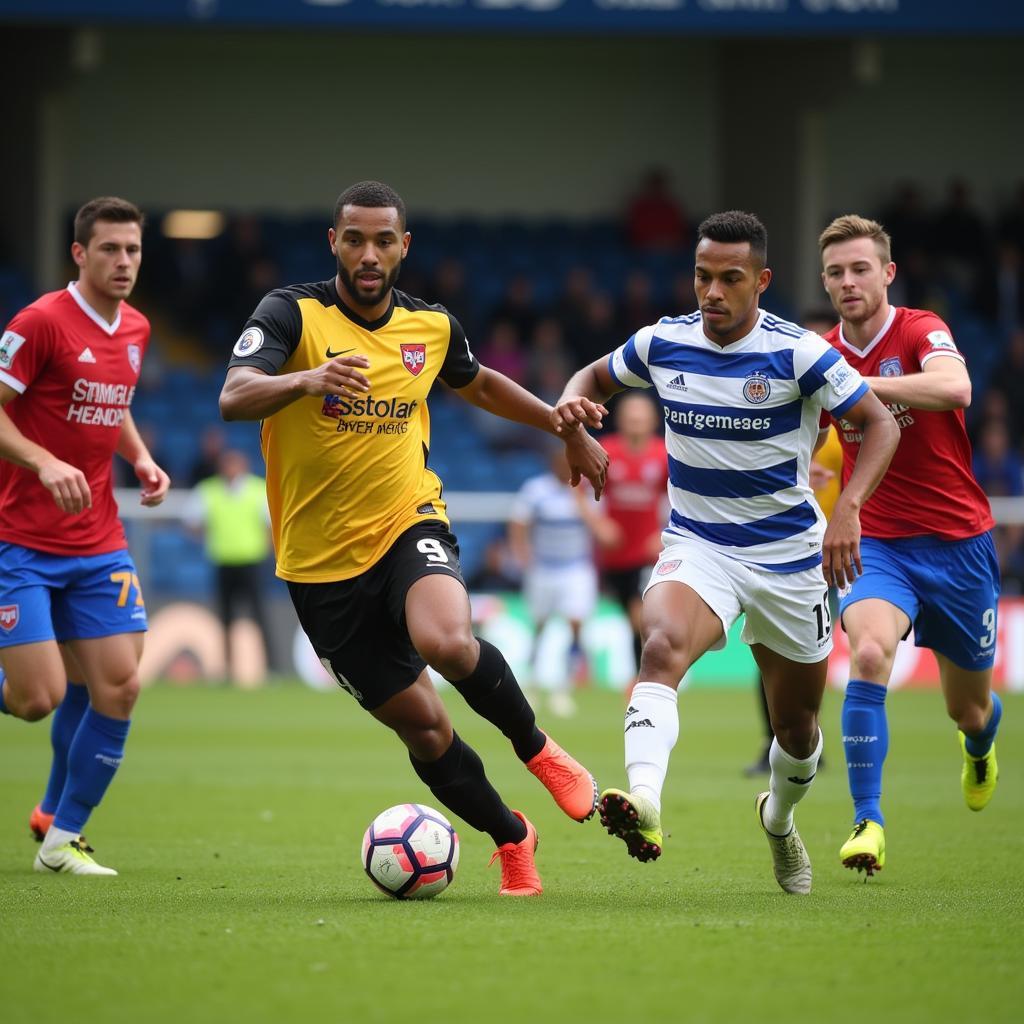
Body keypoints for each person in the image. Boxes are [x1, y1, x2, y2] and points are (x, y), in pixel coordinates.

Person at [218, 181, 608, 897]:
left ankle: (541, 752)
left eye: (384, 240)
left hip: (407, 522)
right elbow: (234, 395)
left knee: (449, 643)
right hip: (319, 568)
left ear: (405, 246)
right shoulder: (289, 312)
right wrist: (306, 380)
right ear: (334, 242)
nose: (370, 254)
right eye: (355, 239)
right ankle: (513, 838)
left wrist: (565, 426)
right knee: (425, 729)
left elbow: (481, 383)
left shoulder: (430, 326)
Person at [553, 210, 899, 894]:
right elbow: (586, 383)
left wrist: (849, 509)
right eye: (702, 276)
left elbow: (879, 423)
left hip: (790, 559)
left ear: (761, 282)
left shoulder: (799, 354)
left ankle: (779, 818)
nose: (712, 291)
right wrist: (571, 425)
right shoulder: (661, 344)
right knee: (659, 648)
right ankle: (645, 802)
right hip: (699, 546)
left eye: (730, 279)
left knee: (796, 730)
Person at [819, 214, 1004, 877]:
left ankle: (981, 742)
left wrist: (861, 391)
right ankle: (868, 822)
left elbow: (956, 388)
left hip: (960, 545)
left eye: (860, 268)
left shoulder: (921, 329)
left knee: (967, 706)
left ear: (887, 273)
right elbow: (802, 438)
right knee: (869, 653)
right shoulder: (820, 354)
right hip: (880, 545)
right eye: (836, 272)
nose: (848, 281)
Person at [0, 196, 170, 875]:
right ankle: (53, 816)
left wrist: (140, 456)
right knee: (37, 699)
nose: (124, 261)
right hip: (22, 540)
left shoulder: (136, 327)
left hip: (98, 540)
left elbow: (112, 402)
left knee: (118, 685)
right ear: (80, 253)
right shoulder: (39, 322)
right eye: (110, 249)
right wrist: (42, 461)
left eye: (132, 249)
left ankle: (59, 838)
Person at [744, 308, 841, 776]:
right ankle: (782, 745)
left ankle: (813, 742)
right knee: (770, 661)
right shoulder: (783, 401)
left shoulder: (849, 414)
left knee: (832, 653)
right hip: (780, 548)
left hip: (841, 549)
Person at [508, 446, 616, 717]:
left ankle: (564, 688)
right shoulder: (535, 490)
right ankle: (531, 685)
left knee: (576, 624)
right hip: (543, 568)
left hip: (575, 569)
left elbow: (603, 533)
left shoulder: (587, 491)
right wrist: (522, 554)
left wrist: (580, 502)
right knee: (540, 626)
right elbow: (519, 523)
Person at [592, 391, 667, 682]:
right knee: (631, 617)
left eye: (641, 416)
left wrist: (664, 531)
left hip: (649, 552)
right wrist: (598, 525)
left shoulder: (664, 453)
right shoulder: (605, 449)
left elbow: (680, 497)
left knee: (642, 615)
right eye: (630, 416)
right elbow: (579, 490)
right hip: (616, 553)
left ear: (652, 421)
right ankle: (643, 678)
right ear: (621, 420)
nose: (636, 421)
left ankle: (645, 681)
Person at [185, 448, 275, 680]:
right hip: (223, 561)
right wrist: (208, 536)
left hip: (251, 562)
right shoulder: (208, 490)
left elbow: (270, 524)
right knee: (225, 618)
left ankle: (272, 668)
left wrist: (266, 548)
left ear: (243, 465)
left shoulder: (257, 489)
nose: (231, 469)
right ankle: (226, 670)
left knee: (260, 617)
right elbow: (191, 522)